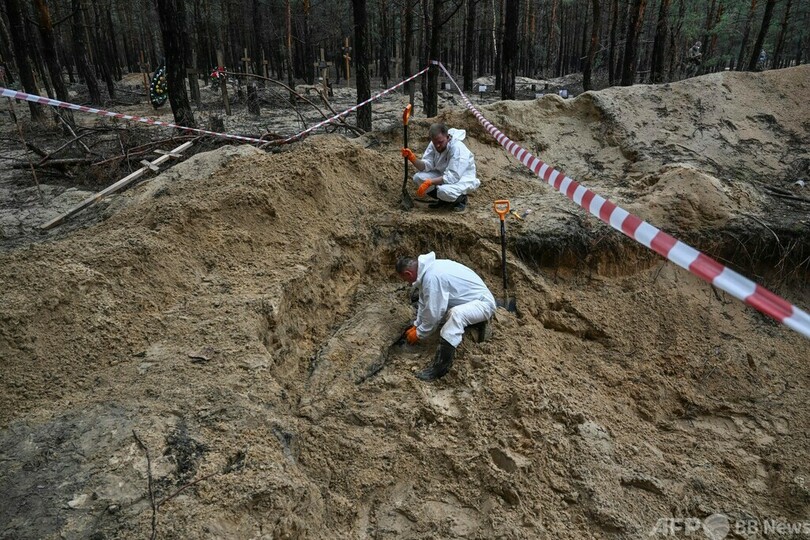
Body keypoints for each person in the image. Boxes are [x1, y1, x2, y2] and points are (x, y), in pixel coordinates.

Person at [396, 252, 496, 381]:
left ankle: (440, 368)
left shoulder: (433, 277)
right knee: (446, 313)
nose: (408, 283)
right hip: (467, 301)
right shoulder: (428, 271)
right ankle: (475, 322)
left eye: (405, 280)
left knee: (456, 315)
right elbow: (424, 303)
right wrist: (416, 325)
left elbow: (433, 312)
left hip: (483, 304)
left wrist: (419, 333)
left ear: (408, 274)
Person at [400, 123, 480, 213]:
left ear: (447, 136)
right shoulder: (434, 143)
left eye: (440, 142)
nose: (437, 145)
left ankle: (461, 199)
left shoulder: (457, 148)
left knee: (444, 191)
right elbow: (426, 165)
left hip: (461, 178)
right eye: (435, 143)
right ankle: (443, 201)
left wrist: (430, 182)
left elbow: (453, 176)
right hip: (442, 173)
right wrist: (412, 158)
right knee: (418, 178)